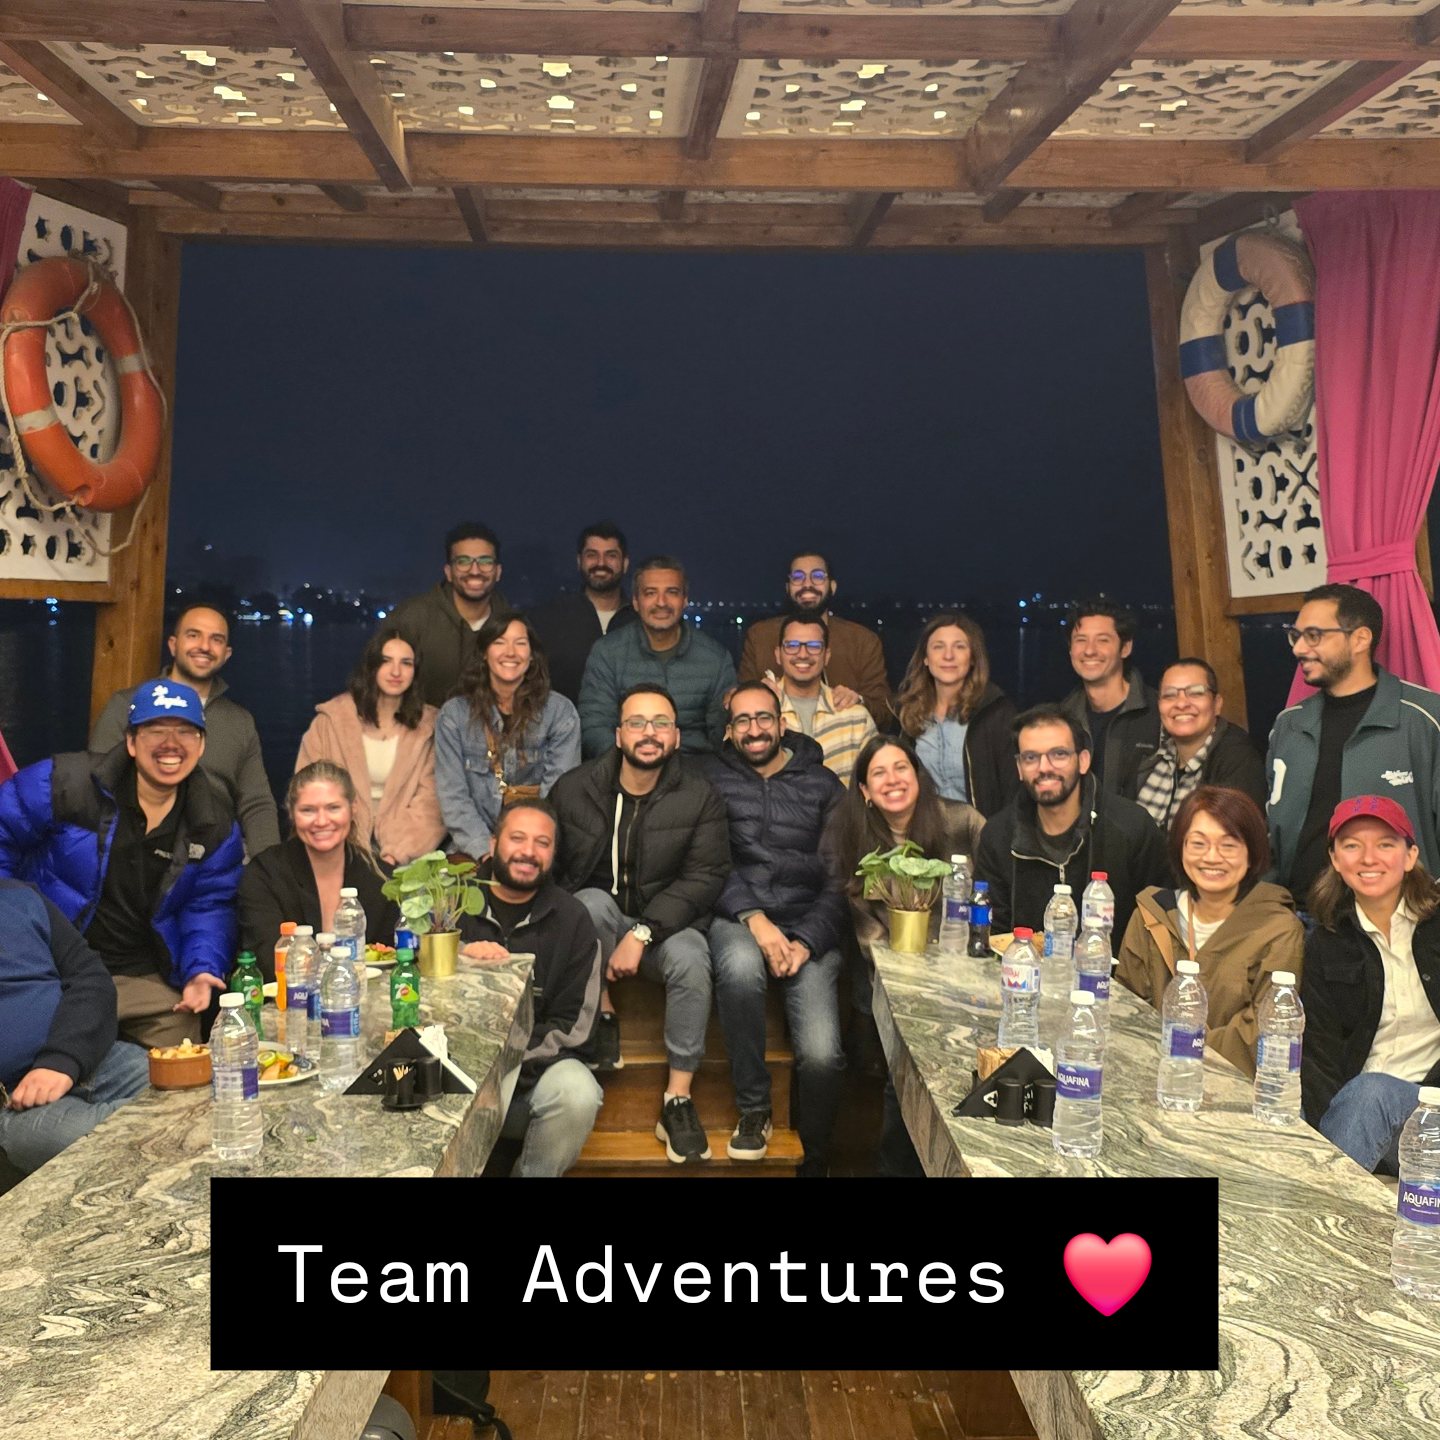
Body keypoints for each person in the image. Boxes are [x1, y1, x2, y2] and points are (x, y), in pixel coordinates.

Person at [0, 679, 243, 1048]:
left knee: (182, 1066)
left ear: (202, 745)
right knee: (38, 1061)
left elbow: (208, 904)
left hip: (144, 978)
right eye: (155, 731)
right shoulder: (66, 782)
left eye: (185, 732)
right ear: (131, 742)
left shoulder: (213, 822)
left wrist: (201, 970)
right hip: (55, 968)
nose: (171, 744)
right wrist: (12, 928)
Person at [550, 684, 730, 1163]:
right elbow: (556, 871)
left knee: (693, 958)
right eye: (637, 723)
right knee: (588, 904)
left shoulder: (700, 796)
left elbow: (705, 877)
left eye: (660, 723)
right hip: (599, 925)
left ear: (676, 737)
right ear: (618, 735)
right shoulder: (575, 788)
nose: (648, 733)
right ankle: (602, 1012)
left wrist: (643, 932)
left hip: (669, 926)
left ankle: (678, 1098)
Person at [703, 683, 847, 1174]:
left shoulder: (824, 785)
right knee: (741, 969)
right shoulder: (710, 779)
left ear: (782, 723)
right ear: (729, 731)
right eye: (742, 720)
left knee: (822, 1055)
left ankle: (815, 1158)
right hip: (738, 917)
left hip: (810, 924)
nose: (754, 729)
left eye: (763, 717)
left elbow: (843, 876)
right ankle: (755, 1110)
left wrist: (807, 940)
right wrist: (756, 919)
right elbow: (707, 861)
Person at [824, 733, 983, 1177]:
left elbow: (997, 895)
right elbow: (869, 937)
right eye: (879, 773)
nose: (892, 780)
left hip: (967, 978)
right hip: (895, 984)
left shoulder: (962, 821)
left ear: (918, 774)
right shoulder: (855, 838)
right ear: (864, 790)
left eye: (901, 768)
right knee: (906, 1087)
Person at [457, 799, 603, 1178]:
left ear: (553, 854)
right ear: (493, 844)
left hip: (525, 1080)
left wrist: (502, 1071)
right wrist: (458, 957)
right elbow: (409, 978)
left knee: (578, 1092)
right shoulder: (450, 902)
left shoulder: (573, 919)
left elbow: (575, 1028)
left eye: (542, 843)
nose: (528, 852)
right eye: (517, 838)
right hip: (451, 1072)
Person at [1268, 583, 1440, 902]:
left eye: (1314, 635)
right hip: (1297, 913)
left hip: (1403, 917)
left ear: (1360, 639)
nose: (1299, 649)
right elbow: (1271, 830)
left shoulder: (1426, 718)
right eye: (1296, 635)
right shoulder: (1288, 725)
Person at [1115, 786, 1304, 1077]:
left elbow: (1263, 1035)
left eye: (1228, 845)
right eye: (1198, 843)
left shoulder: (1278, 929)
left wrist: (1177, 1048)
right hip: (1147, 1076)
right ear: (1180, 848)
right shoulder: (1150, 915)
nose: (1212, 857)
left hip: (1237, 1087)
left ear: (1252, 854)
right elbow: (1126, 1009)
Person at [1302, 796, 1440, 1175]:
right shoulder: (1327, 943)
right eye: (1352, 846)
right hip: (1359, 1115)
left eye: (1385, 844)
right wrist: (1326, 1132)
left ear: (1410, 856)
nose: (1368, 858)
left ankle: (1323, 1202)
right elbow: (1318, 1057)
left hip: (1431, 1114)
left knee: (1372, 1092)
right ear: (1335, 859)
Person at [89, 602, 279, 856]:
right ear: (173, 645)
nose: (205, 646)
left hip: (216, 852)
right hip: (136, 850)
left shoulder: (239, 721)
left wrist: (268, 868)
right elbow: (97, 784)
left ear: (226, 654)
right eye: (193, 635)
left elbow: (256, 804)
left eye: (216, 639)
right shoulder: (127, 705)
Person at [975, 706, 1169, 943]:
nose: (1044, 768)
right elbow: (992, 934)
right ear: (1019, 769)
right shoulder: (998, 836)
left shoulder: (1132, 828)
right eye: (1031, 758)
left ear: (1083, 761)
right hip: (1020, 965)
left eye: (1058, 754)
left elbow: (1161, 924)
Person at [0, 879, 151, 1176]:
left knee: (198, 1089)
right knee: (108, 1139)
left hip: (94, 1059)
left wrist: (60, 1061)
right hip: (11, 1099)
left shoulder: (19, 897)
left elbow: (91, 979)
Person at [434, 614, 581, 861]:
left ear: (532, 655)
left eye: (520, 643)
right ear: (484, 652)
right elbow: (453, 797)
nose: (510, 652)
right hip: (472, 846)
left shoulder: (560, 713)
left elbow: (559, 796)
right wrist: (485, 850)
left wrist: (522, 847)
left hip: (535, 847)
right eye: (499, 642)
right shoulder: (454, 715)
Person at [295, 627, 444, 868]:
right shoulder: (331, 721)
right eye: (386, 661)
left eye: (406, 663)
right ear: (371, 666)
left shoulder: (430, 727)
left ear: (415, 671)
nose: (396, 671)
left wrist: (394, 853)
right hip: (336, 846)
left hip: (404, 855)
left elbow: (430, 804)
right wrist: (346, 848)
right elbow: (307, 791)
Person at [238, 762, 398, 976]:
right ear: (292, 813)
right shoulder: (264, 874)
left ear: (353, 808)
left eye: (333, 808)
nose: (321, 821)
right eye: (308, 810)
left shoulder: (381, 878)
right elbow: (267, 961)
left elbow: (391, 959)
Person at [577, 555, 735, 758]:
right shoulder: (607, 652)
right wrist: (632, 767)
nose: (661, 602)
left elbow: (723, 736)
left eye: (672, 592)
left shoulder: (715, 658)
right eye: (650, 593)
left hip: (696, 769)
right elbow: (594, 726)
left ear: (685, 600)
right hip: (625, 766)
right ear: (636, 601)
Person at [738, 549, 889, 726]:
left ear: (832, 587)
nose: (807, 584)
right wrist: (755, 695)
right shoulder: (760, 637)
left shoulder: (863, 641)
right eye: (798, 577)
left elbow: (885, 713)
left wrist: (859, 701)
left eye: (817, 576)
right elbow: (736, 705)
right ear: (788, 588)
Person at [894, 611, 1018, 818]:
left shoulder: (997, 713)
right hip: (925, 830)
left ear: (973, 658)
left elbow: (1013, 792)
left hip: (982, 832)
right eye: (938, 646)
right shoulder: (908, 713)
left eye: (959, 647)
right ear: (925, 658)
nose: (948, 656)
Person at [1123, 658, 1266, 828]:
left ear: (1217, 704)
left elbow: (1236, 834)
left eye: (1196, 693)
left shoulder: (1239, 761)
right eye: (1169, 695)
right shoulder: (1148, 752)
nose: (1181, 703)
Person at [387, 522, 512, 708]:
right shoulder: (412, 618)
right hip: (420, 725)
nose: (475, 570)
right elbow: (374, 683)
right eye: (463, 561)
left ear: (498, 572)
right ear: (448, 572)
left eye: (485, 561)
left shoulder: (511, 624)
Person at [530, 520, 639, 702]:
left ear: (625, 563)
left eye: (611, 555)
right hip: (564, 720)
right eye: (592, 555)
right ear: (579, 561)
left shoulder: (640, 621)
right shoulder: (548, 618)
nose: (601, 563)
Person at [1060, 597, 1160, 796]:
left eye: (1102, 640)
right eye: (1081, 640)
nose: (1089, 650)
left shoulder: (1159, 713)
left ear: (1125, 648)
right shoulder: (1063, 717)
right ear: (1071, 649)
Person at [768, 615, 876, 786]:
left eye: (814, 646)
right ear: (778, 654)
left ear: (827, 655)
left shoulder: (856, 717)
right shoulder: (762, 714)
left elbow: (875, 780)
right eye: (792, 645)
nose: (803, 654)